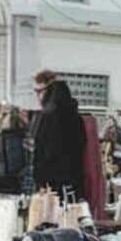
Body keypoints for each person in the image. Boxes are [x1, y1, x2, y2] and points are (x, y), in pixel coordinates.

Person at [30, 70, 86, 200]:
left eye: (39, 91)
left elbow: (43, 152)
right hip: (74, 181)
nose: (38, 97)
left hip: (52, 185)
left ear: (48, 90)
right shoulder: (76, 116)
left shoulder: (47, 116)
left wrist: (41, 180)